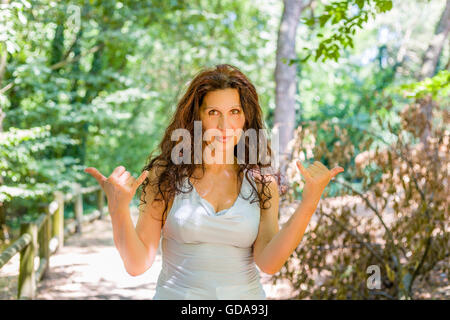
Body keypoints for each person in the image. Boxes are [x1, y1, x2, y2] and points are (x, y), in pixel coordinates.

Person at [85, 64, 344, 300]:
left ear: (245, 118)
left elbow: (269, 263)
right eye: (213, 112)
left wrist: (310, 202)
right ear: (197, 117)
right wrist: (118, 208)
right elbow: (137, 264)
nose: (224, 125)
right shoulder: (166, 175)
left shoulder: (262, 182)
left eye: (234, 112)